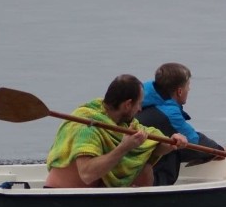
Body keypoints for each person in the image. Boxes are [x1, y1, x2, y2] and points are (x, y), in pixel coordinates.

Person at [44, 74, 187, 188]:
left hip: (95, 199)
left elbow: (149, 144)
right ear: (127, 104)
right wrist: (124, 147)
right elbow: (87, 174)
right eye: (138, 104)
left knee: (144, 167)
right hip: (65, 197)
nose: (140, 109)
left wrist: (171, 143)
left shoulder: (123, 123)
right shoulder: (87, 127)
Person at [136, 62, 224, 186]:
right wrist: (218, 150)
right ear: (179, 91)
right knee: (176, 145)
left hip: (134, 161)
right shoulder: (168, 113)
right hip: (149, 177)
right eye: (188, 85)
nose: (190, 89)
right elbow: (194, 142)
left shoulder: (142, 95)